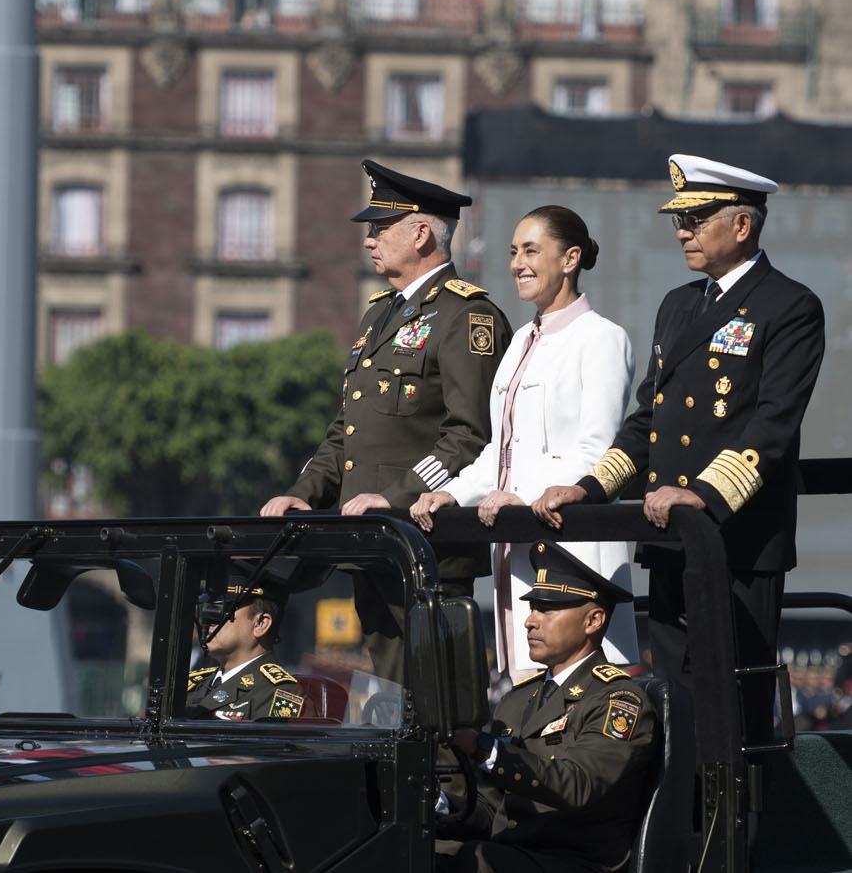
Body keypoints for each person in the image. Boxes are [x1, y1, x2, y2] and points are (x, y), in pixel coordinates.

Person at [533, 153, 826, 748]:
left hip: (736, 543)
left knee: (734, 720)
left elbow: (772, 425)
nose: (682, 231)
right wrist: (589, 488)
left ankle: (737, 841)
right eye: (678, 220)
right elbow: (647, 423)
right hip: (670, 542)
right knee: (673, 714)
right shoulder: (678, 304)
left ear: (741, 226)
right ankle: (681, 837)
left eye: (697, 218)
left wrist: (702, 494)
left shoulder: (789, 306)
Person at [260, 160, 513, 684]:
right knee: (396, 703)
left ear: (421, 233)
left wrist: (396, 497)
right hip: (373, 545)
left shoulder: (468, 317)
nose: (369, 240)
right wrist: (304, 491)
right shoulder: (379, 314)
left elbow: (472, 436)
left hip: (427, 548)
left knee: (437, 709)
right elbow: (345, 431)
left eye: (380, 228)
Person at [410, 206, 638, 680]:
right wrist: (453, 491)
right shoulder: (519, 342)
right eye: (514, 252)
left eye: (532, 250)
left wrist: (521, 493)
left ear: (571, 258)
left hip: (568, 546)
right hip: (514, 537)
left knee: (577, 693)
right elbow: (499, 452)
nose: (517, 263)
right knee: (523, 687)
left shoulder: (602, 338)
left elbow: (597, 451)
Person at [437, 542, 656, 873]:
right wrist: (435, 805)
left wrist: (484, 748)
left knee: (473, 860)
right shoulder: (518, 700)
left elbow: (578, 783)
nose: (530, 621)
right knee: (417, 850)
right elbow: (493, 809)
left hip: (577, 862)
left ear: (593, 620)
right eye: (533, 608)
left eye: (548, 610)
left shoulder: (617, 701)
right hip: (518, 856)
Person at [185, 574, 304, 720]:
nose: (209, 619)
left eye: (223, 610)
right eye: (208, 609)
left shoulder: (277, 694)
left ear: (260, 624)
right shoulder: (194, 684)